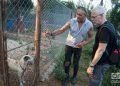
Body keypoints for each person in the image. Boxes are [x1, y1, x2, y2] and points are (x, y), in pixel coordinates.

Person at [45, 7, 93, 86]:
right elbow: (61, 30)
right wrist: (51, 33)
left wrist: (84, 43)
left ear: (85, 15)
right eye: (77, 14)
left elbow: (91, 37)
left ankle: (74, 76)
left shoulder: (89, 25)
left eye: (80, 15)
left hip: (78, 46)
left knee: (76, 62)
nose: (77, 16)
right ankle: (66, 77)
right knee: (67, 61)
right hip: (69, 45)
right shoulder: (71, 21)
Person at [87, 6, 116, 86]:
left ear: (102, 15)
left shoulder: (104, 30)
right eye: (91, 17)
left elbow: (100, 50)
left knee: (94, 82)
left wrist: (91, 66)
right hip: (104, 61)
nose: (92, 19)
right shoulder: (109, 24)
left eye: (94, 17)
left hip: (101, 63)